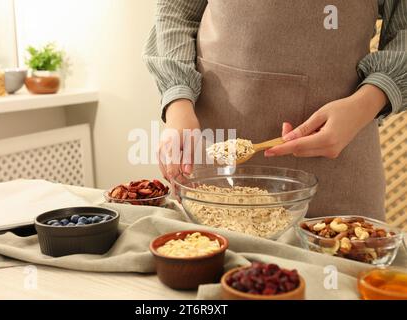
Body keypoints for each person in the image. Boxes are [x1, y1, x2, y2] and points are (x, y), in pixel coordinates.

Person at [143, 0, 407, 220]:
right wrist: (178, 106)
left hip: (337, 167)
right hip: (213, 162)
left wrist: (366, 104)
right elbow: (176, 12)